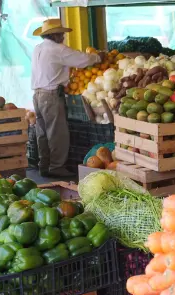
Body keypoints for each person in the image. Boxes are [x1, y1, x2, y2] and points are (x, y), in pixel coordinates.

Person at [31, 19, 103, 178]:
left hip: (37, 95)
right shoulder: (58, 49)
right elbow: (83, 59)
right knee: (57, 133)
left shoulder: (38, 48)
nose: (63, 37)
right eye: (61, 34)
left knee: (42, 133)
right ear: (55, 35)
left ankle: (44, 165)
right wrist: (97, 57)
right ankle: (56, 167)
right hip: (51, 96)